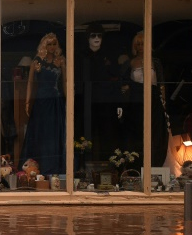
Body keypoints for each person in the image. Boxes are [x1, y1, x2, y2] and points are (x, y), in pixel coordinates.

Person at [118, 31, 170, 168]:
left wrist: (163, 103)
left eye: (143, 44)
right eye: (138, 44)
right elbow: (123, 84)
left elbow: (161, 84)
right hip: (136, 101)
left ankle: (154, 165)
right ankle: (136, 165)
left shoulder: (156, 62)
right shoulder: (130, 63)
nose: (141, 46)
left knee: (155, 132)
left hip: (153, 99)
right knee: (137, 133)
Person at [18, 32, 66, 179]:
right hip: (41, 100)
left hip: (56, 100)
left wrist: (68, 99)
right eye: (49, 44)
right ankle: (38, 167)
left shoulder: (61, 61)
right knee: (40, 132)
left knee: (55, 133)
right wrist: (27, 102)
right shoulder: (37, 61)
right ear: (44, 45)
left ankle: (56, 167)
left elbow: (65, 82)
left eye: (54, 44)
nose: (52, 47)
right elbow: (30, 83)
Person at [74, 22, 123, 163]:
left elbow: (115, 79)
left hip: (105, 101)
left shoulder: (108, 56)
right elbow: (76, 81)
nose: (96, 38)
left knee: (106, 134)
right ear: (87, 38)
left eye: (99, 36)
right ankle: (83, 166)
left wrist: (118, 102)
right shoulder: (80, 57)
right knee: (85, 135)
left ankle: (108, 166)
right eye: (93, 35)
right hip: (85, 102)